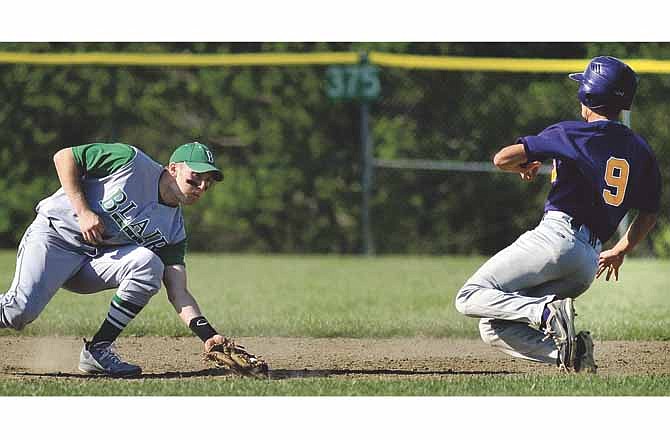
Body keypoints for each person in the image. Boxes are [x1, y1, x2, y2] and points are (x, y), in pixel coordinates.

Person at [454, 56, 662, 372]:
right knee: (494, 326)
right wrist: (620, 251)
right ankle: (573, 353)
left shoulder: (570, 133)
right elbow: (648, 214)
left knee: (470, 296)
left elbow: (501, 158)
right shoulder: (641, 150)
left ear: (588, 96)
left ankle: (547, 314)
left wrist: (521, 164)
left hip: (557, 238)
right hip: (586, 263)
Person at [0, 141, 232, 377]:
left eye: (208, 182)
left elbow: (178, 292)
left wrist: (208, 334)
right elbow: (64, 157)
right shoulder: (129, 161)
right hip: (55, 237)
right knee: (18, 312)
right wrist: (83, 211)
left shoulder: (174, 229)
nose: (201, 187)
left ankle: (98, 350)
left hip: (92, 263)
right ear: (173, 169)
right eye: (195, 178)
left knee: (148, 263)